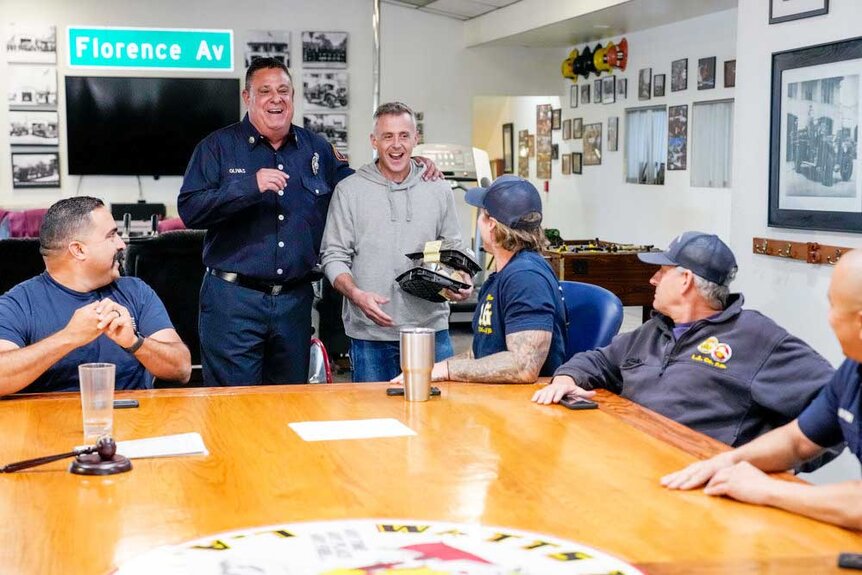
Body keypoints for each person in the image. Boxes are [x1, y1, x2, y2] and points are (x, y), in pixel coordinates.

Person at [179, 58, 440, 386]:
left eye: (283, 90)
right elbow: (190, 209)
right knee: (232, 405)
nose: (276, 98)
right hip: (234, 302)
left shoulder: (318, 149)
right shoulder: (217, 148)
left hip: (294, 304)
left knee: (290, 404)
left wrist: (406, 161)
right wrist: (249, 186)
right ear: (248, 98)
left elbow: (362, 187)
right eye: (265, 91)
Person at [532, 231, 835, 448]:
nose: (652, 280)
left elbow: (835, 403)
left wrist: (772, 466)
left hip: (696, 481)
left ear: (686, 280)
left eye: (661, 272)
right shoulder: (656, 330)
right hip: (629, 457)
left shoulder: (756, 337)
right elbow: (598, 360)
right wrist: (566, 378)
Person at [661, 249, 862, 530]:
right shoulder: (852, 372)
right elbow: (797, 440)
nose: (828, 318)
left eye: (832, 306)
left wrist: (767, 489)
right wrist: (728, 461)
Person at [320, 102, 470, 382]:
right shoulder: (350, 191)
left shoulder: (438, 189)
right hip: (370, 335)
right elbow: (333, 255)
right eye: (387, 136)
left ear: (416, 139)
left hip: (430, 332)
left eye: (404, 135)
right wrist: (356, 295)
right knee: (374, 423)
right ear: (374, 141)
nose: (396, 145)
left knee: (439, 421)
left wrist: (460, 278)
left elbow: (453, 249)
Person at [0, 197, 191, 395]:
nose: (122, 244)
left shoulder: (136, 291)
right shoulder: (18, 304)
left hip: (134, 420)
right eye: (112, 235)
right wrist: (68, 338)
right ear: (79, 250)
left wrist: (135, 342)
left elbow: (182, 370)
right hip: (47, 421)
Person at [403, 175, 566, 384]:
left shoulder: (526, 278)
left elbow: (524, 366)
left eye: (481, 215)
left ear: (492, 225)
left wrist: (448, 370)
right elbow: (481, 353)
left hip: (524, 408)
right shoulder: (504, 275)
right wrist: (433, 369)